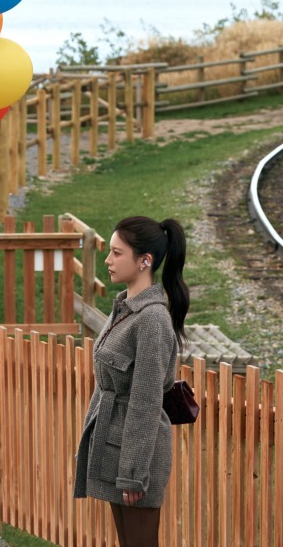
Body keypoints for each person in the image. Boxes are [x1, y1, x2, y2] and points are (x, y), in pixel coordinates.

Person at [74, 215, 190, 547]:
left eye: (116, 253)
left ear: (144, 261)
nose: (108, 261)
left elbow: (145, 402)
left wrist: (133, 473)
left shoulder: (152, 319)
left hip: (136, 459)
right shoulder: (124, 308)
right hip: (115, 447)